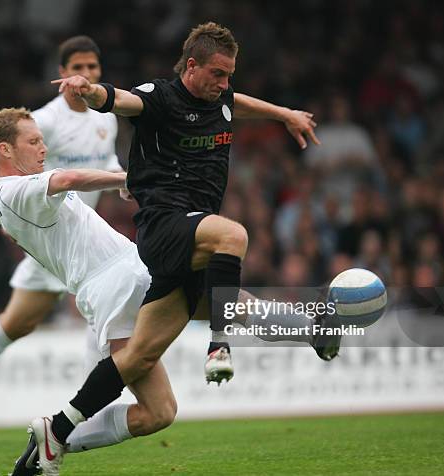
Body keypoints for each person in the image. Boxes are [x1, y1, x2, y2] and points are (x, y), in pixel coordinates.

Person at [19, 22, 332, 476]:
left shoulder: (219, 95)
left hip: (189, 240)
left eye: (229, 75)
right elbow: (122, 100)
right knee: (234, 237)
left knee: (146, 367)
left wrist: (284, 113)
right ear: (191, 66)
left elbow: (235, 103)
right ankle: (218, 348)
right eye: (218, 74)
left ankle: (58, 430)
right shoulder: (160, 97)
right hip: (165, 225)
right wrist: (90, 92)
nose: (225, 84)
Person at [0, 108, 178, 475]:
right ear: (6, 150)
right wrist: (127, 177)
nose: (43, 148)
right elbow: (70, 178)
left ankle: (52, 439)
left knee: (159, 413)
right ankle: (57, 432)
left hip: (121, 275)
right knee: (212, 299)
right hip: (116, 283)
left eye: (43, 140)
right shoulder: (21, 189)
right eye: (33, 142)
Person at [0, 36, 126, 443]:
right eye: (78, 68)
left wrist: (122, 182)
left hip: (78, 236)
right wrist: (14, 213)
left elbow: (108, 162)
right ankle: (86, 409)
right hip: (49, 234)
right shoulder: (43, 120)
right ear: (63, 74)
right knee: (83, 308)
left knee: (20, 321)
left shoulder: (106, 116)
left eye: (94, 68)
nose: (87, 75)